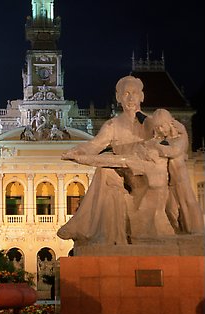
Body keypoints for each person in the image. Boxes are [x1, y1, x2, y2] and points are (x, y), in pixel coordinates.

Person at [57, 75, 155, 246]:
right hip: (125, 174)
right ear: (118, 98)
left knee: (106, 168)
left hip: (148, 177)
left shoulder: (151, 124)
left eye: (134, 93)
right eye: (126, 94)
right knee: (105, 171)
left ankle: (84, 226)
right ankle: (109, 236)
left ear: (142, 96)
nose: (131, 98)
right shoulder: (113, 125)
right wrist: (77, 151)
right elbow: (95, 145)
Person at [143, 108, 204, 234]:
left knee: (188, 203)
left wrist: (153, 145)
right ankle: (178, 230)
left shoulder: (180, 139)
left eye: (162, 126)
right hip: (170, 183)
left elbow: (171, 152)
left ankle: (196, 230)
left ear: (169, 123)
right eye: (157, 127)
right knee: (171, 209)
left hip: (181, 180)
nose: (160, 130)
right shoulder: (166, 141)